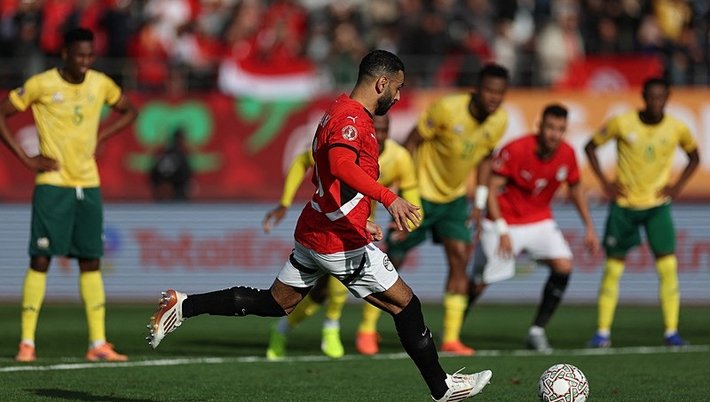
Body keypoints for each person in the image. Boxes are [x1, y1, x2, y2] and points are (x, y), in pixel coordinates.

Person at [147, 49, 492, 402]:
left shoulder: (337, 110)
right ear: (382, 83)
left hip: (317, 229)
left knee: (276, 303)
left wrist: (363, 218)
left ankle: (183, 305)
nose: (399, 96)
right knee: (405, 305)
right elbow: (340, 165)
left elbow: (324, 177)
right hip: (336, 241)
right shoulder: (351, 119)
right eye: (398, 87)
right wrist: (389, 198)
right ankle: (442, 387)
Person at [0, 28, 137, 362]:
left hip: (88, 184)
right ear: (65, 54)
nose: (86, 61)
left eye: (90, 55)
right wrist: (26, 158)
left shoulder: (100, 83)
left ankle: (98, 343)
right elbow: (2, 113)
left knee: (91, 260)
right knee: (41, 258)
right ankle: (27, 343)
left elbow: (130, 110)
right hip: (53, 183)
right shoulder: (42, 84)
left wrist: (103, 135)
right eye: (80, 55)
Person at [262, 114, 422, 359]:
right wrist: (285, 202)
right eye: (376, 129)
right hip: (327, 226)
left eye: (384, 130)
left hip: (361, 228)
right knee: (320, 291)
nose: (379, 136)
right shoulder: (345, 150)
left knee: (328, 290)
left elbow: (412, 199)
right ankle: (319, 327)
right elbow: (302, 161)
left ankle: (315, 328)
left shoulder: (399, 157)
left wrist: (406, 224)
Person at [386, 63, 510, 356]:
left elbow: (485, 159)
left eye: (500, 93)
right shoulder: (447, 109)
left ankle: (451, 338)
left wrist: (479, 202)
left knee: (460, 257)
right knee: (394, 257)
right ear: (477, 90)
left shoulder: (499, 121)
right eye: (489, 91)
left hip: (454, 200)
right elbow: (412, 141)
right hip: (420, 194)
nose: (494, 98)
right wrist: (402, 191)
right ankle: (367, 329)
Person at [467, 104, 600, 352]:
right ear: (540, 126)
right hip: (504, 220)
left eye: (560, 129)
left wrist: (589, 226)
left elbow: (575, 189)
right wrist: (502, 230)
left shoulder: (567, 154)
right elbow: (492, 189)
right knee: (480, 282)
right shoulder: (516, 150)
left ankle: (537, 331)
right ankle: (452, 328)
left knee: (564, 266)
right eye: (550, 127)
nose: (554, 134)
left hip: (539, 220)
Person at [584, 77, 700, 348]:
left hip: (657, 206)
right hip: (624, 206)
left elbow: (695, 157)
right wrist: (605, 182)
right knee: (613, 269)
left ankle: (671, 331)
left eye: (661, 97)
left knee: (668, 267)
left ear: (668, 98)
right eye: (651, 97)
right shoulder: (622, 122)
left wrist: (677, 187)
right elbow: (590, 147)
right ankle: (602, 333)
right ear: (643, 97)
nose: (656, 102)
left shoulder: (677, 128)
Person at [149, 128, 193, 201]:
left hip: (161, 197)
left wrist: (160, 185)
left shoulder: (163, 154)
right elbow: (186, 176)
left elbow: (153, 176)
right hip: (176, 197)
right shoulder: (180, 156)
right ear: (180, 140)